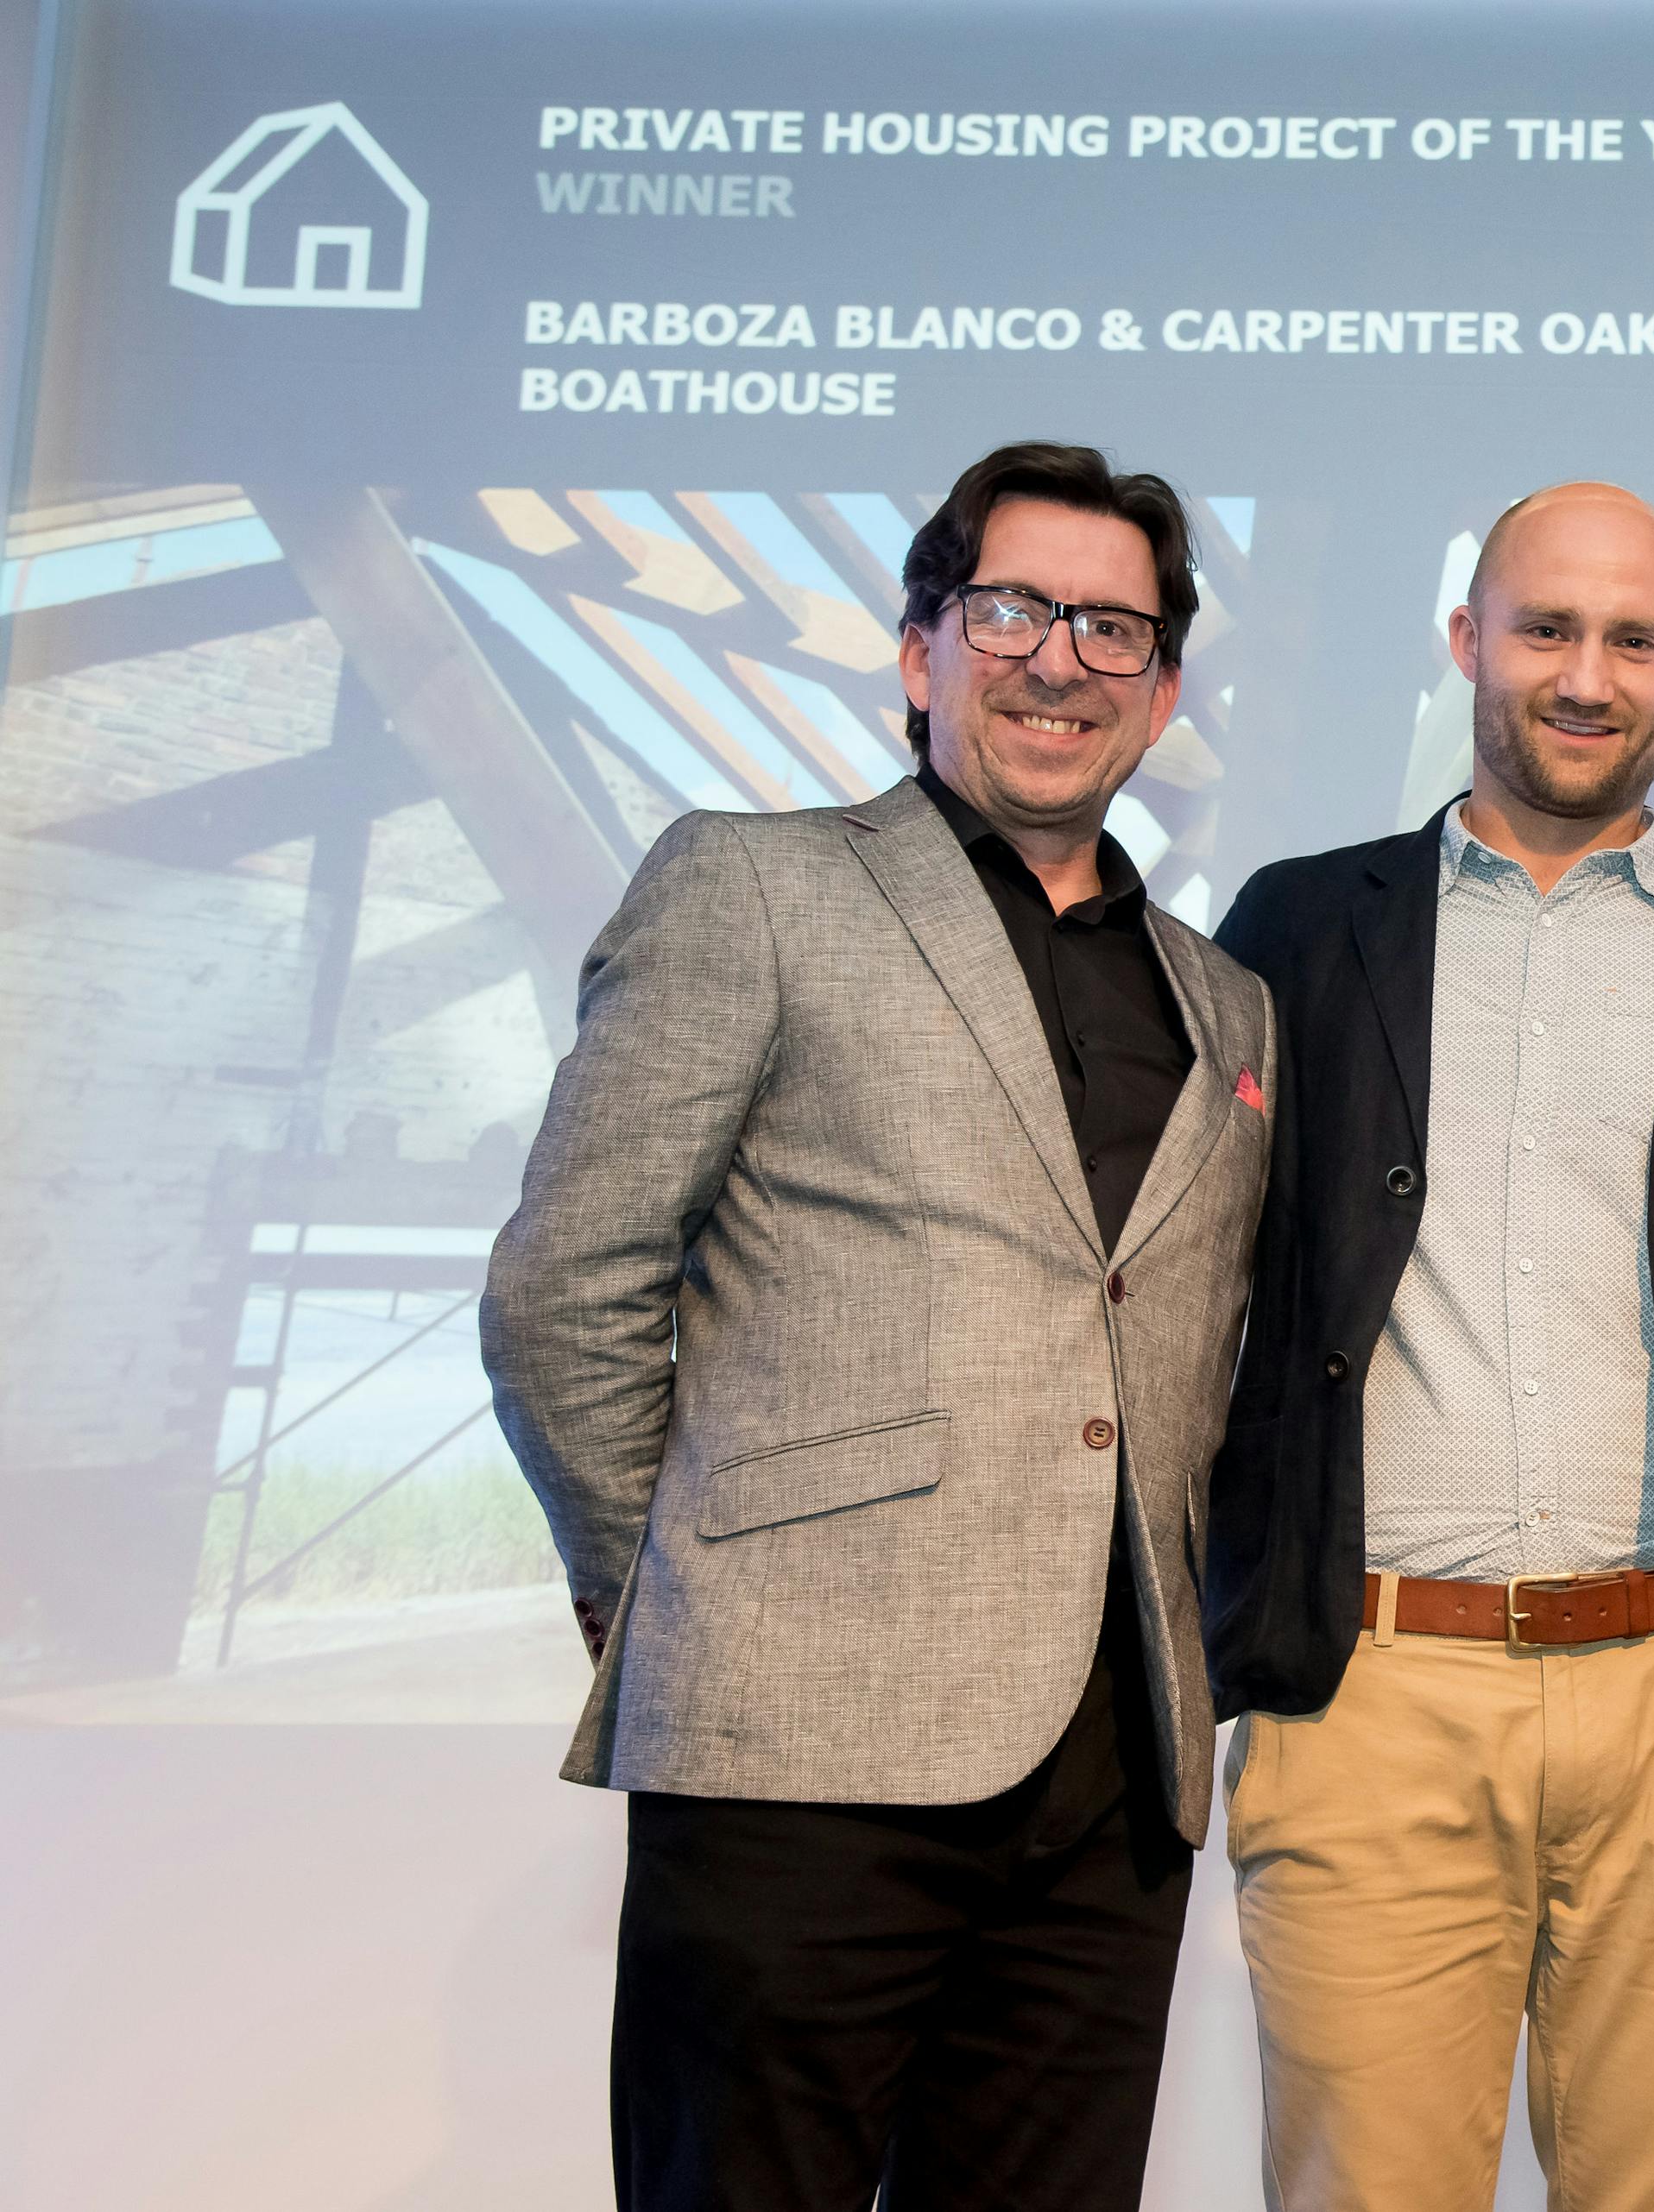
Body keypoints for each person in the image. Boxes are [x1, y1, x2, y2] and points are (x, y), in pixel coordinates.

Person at [483, 441, 1272, 2212]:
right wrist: (673, 1577)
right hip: (797, 1749)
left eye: (1113, 628)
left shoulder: (1232, 1006)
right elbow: (567, 1281)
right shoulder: (752, 886)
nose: (1059, 658)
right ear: (918, 648)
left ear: (1160, 689)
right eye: (1010, 610)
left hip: (1113, 1788)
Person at [1206, 481, 1654, 2212]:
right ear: (1468, 640)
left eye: (1633, 639)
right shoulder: (1295, 924)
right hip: (1372, 1690)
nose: (1586, 676)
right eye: (1546, 628)